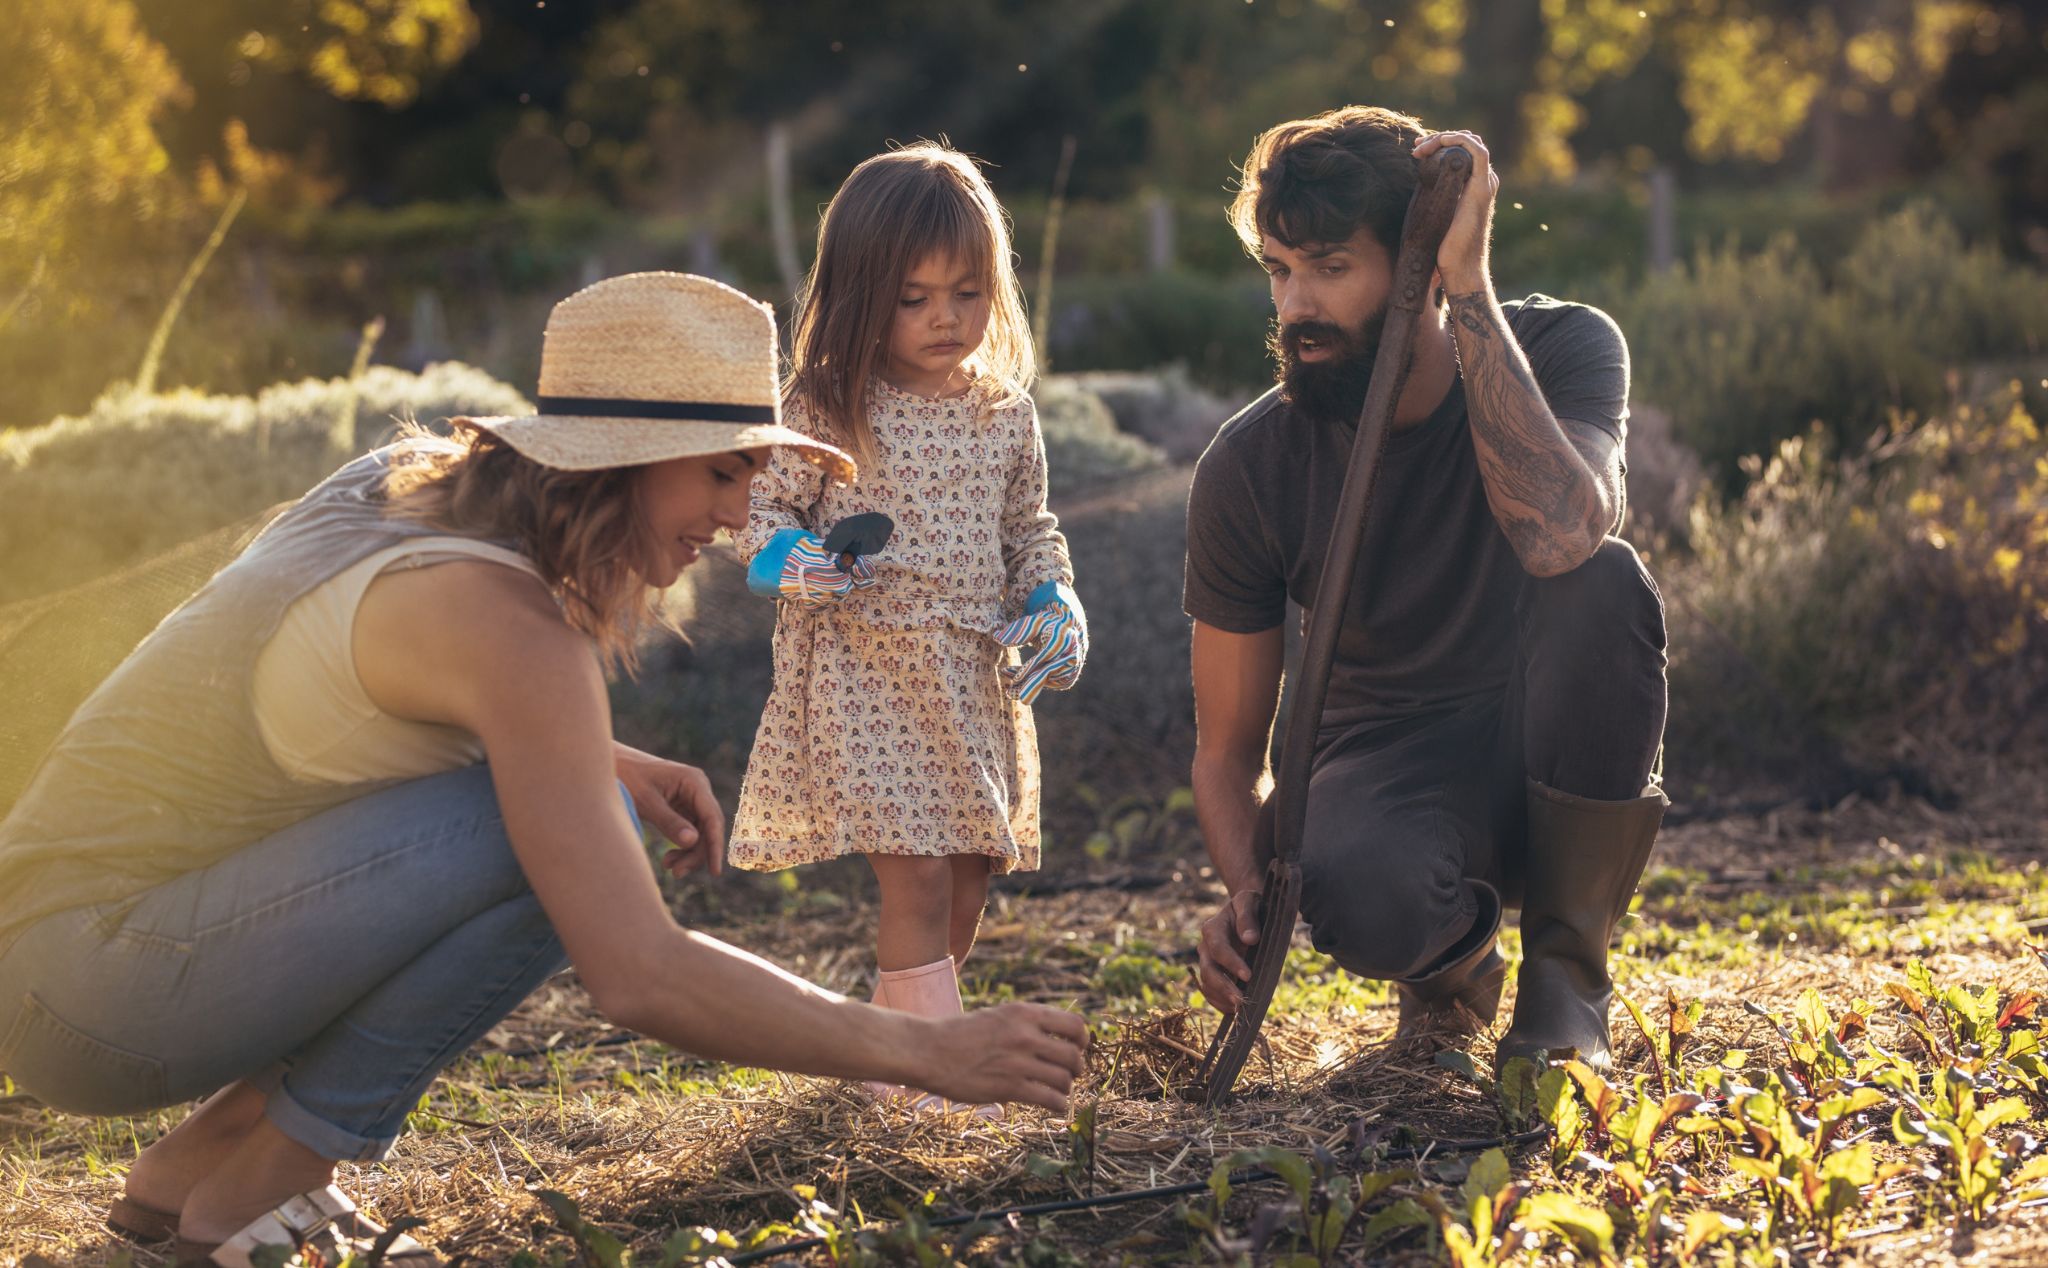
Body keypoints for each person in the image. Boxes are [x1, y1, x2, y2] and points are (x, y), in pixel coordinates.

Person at [0, 272, 1088, 1267]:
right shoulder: (513, 631)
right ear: (614, 458)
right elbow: (639, 972)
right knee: (567, 833)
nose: (730, 518)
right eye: (720, 473)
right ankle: (269, 1190)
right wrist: (925, 1052)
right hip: (97, 986)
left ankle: (202, 1173)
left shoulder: (404, 485)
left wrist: (592, 751)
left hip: (54, 949)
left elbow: (297, 696)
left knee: (576, 796)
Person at [1185, 107, 1669, 1072]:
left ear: (1417, 263)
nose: (1294, 307)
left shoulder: (1569, 348)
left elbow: (1562, 533)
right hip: (1387, 757)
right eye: (1280, 270)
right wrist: (1247, 890)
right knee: (1358, 888)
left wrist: (1467, 289)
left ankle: (1566, 982)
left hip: (1551, 736)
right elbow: (1228, 748)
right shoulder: (1251, 464)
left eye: (1329, 268)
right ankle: (1452, 969)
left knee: (1604, 581)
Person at [728, 145, 1087, 1112]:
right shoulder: (827, 405)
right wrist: (793, 563)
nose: (944, 318)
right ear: (860, 292)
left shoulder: (1003, 413)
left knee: (964, 881)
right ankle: (932, 1086)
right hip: (868, 666)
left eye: (966, 293)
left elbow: (1030, 532)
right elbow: (760, 518)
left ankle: (891, 1060)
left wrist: (1054, 599)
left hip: (972, 671)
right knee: (918, 877)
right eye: (913, 296)